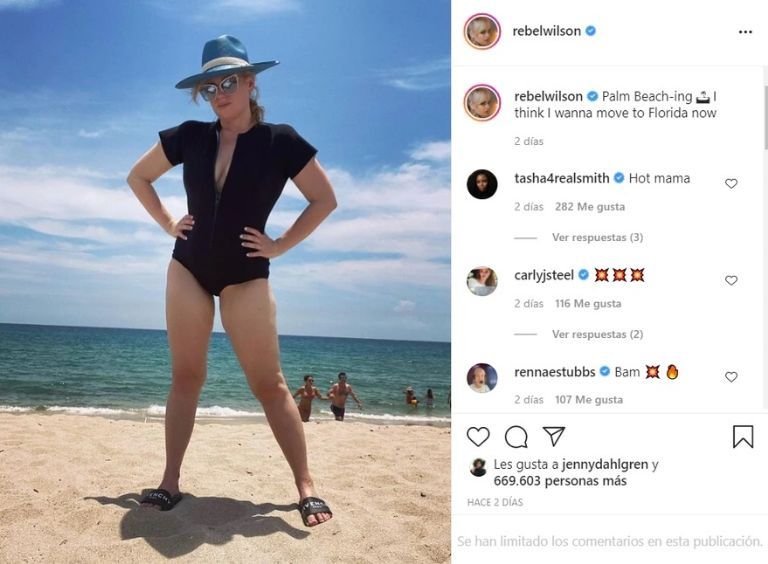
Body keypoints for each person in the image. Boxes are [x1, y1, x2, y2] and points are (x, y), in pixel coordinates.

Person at [126, 35, 336, 527]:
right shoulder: (189, 136)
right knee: (186, 377)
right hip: (188, 268)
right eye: (210, 86)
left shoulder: (281, 141)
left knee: (270, 384)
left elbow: (324, 199)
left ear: (250, 83)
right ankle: (170, 481)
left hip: (246, 277)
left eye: (229, 82)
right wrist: (167, 223)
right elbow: (138, 177)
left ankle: (306, 486)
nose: (219, 93)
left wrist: (280, 245)